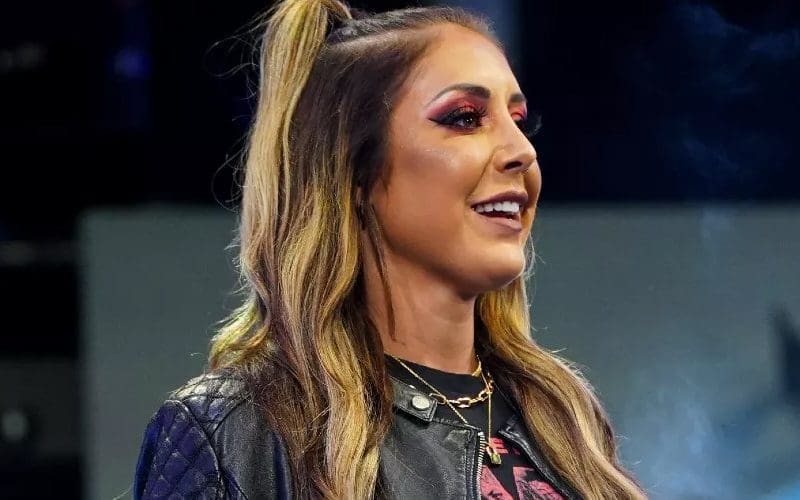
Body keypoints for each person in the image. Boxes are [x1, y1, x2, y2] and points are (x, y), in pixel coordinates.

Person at [133, 1, 646, 498]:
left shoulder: (564, 418)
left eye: (518, 120)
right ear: (354, 170)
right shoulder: (240, 430)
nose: (523, 151)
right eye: (465, 118)